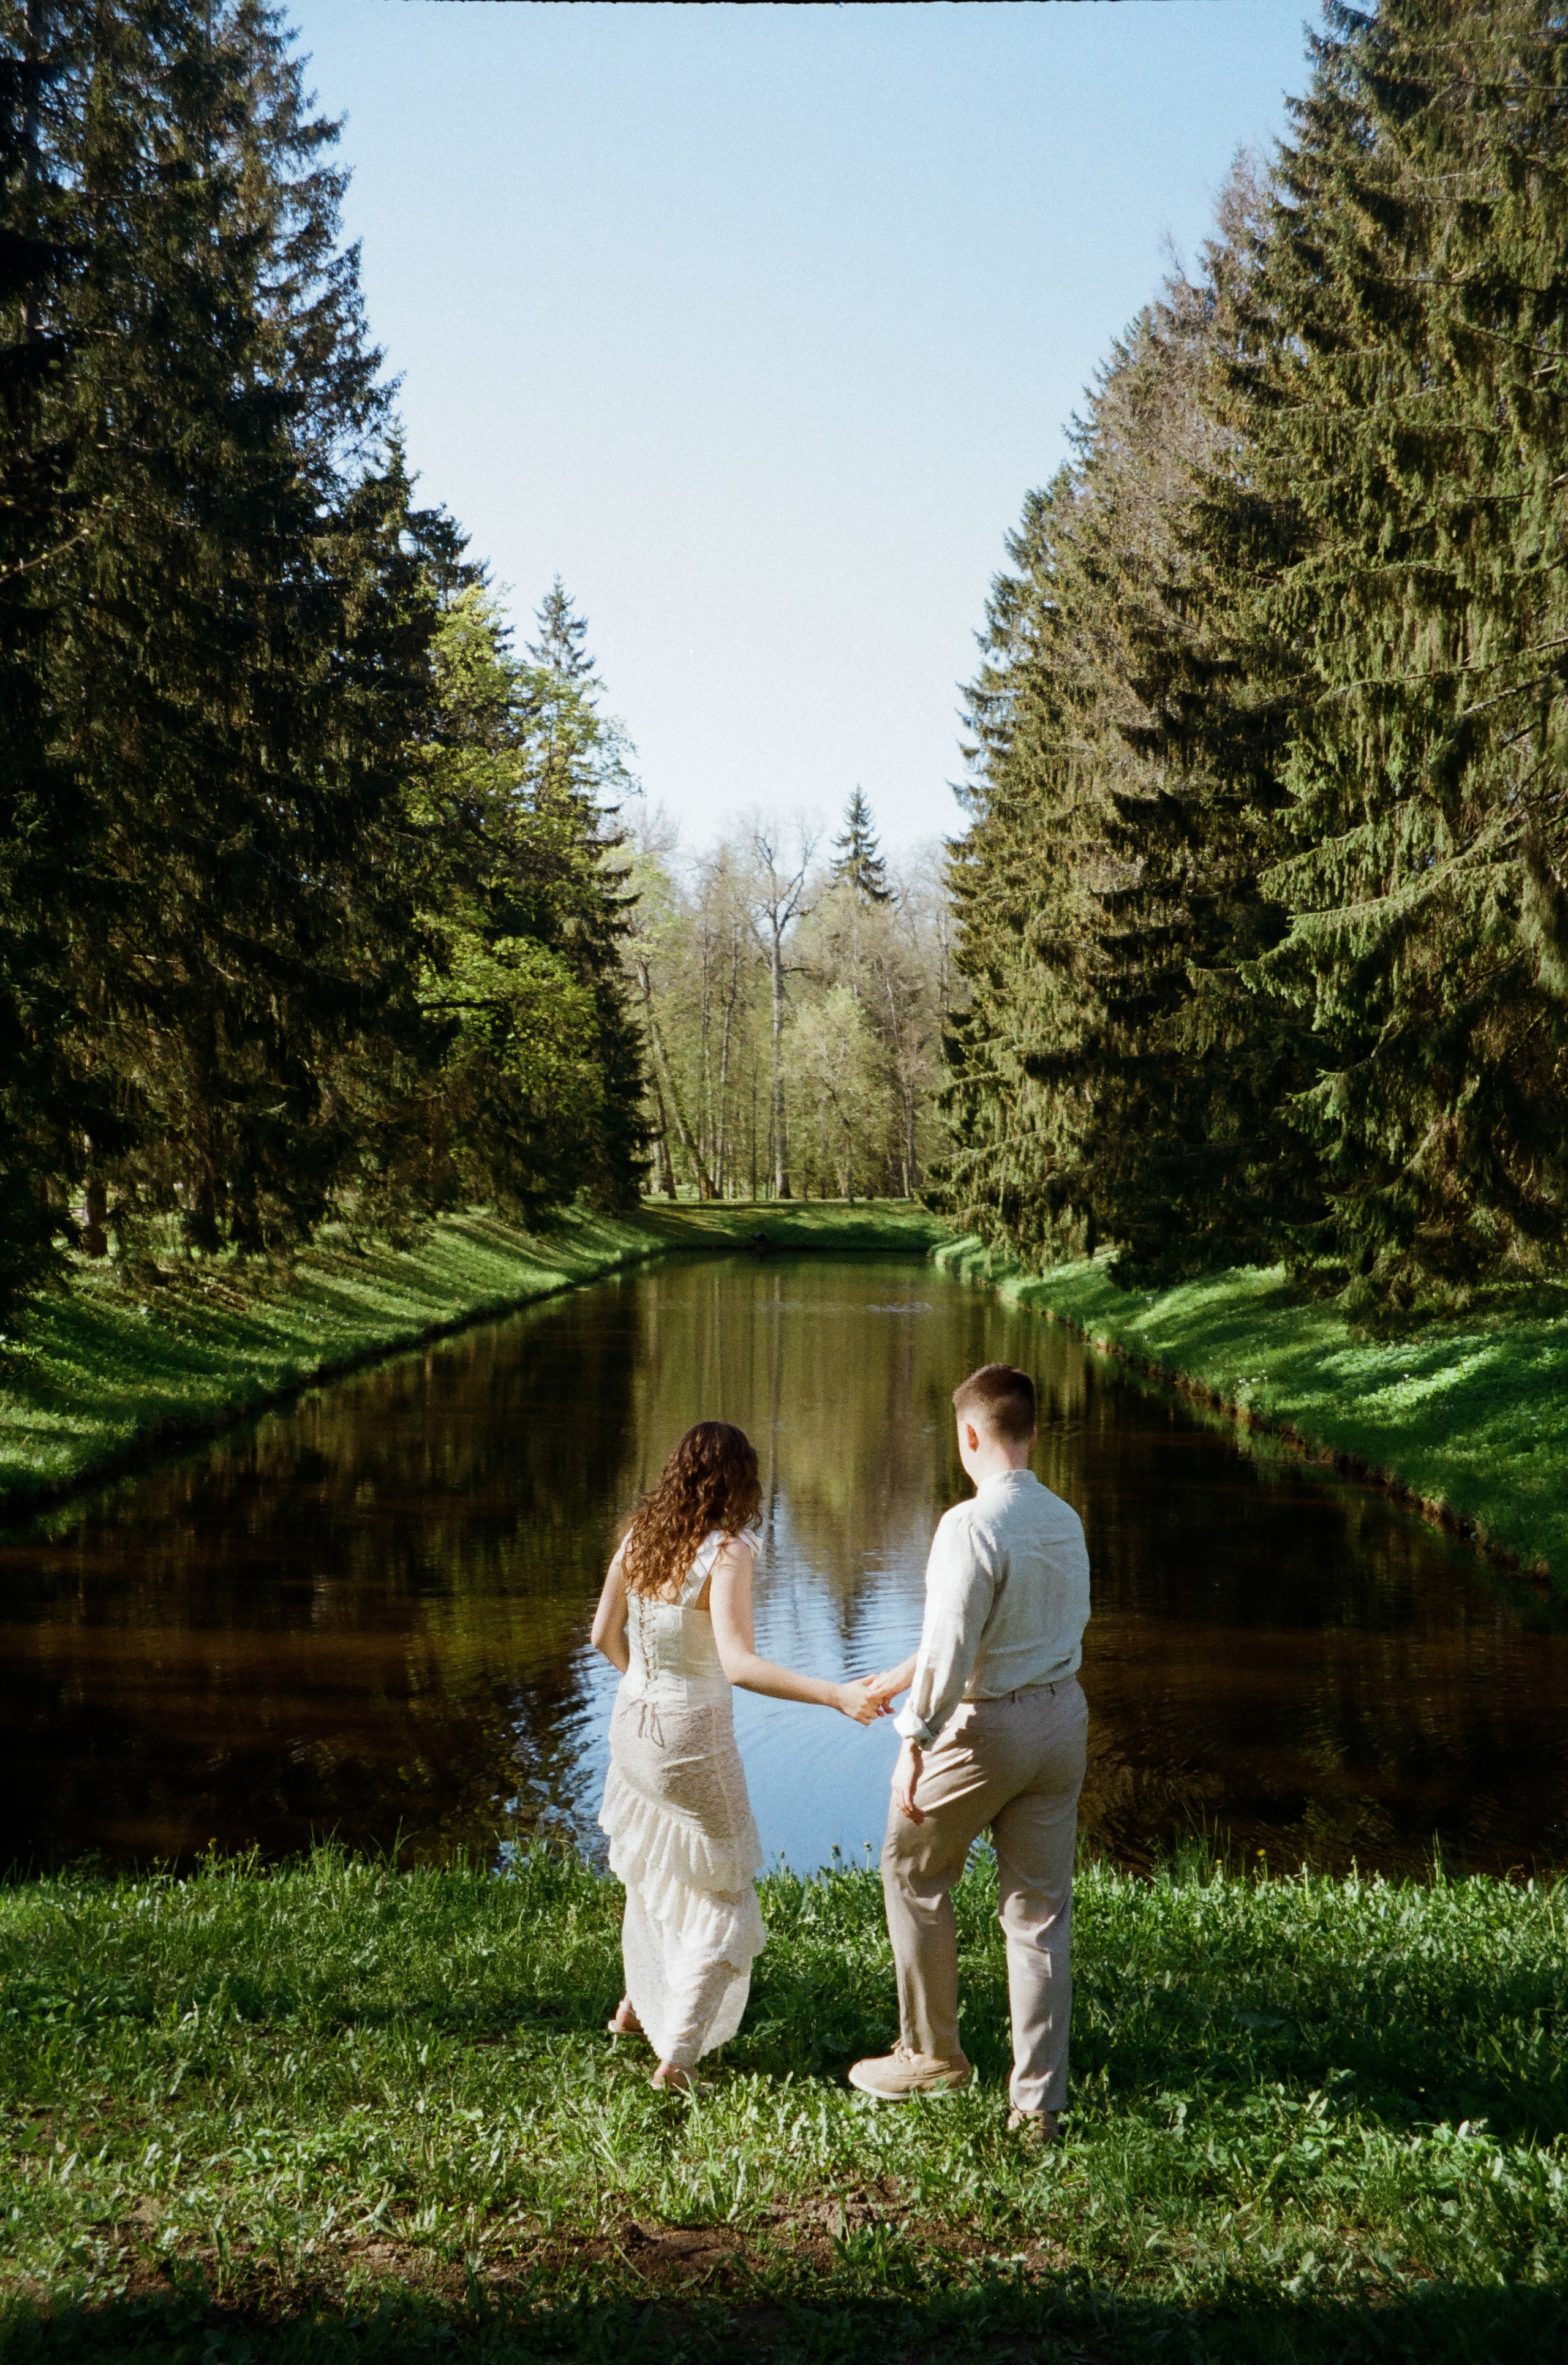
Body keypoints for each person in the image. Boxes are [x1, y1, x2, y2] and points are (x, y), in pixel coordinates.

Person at [591, 1419, 880, 2092]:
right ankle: (679, 2059)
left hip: (629, 1731)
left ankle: (638, 2006)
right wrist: (835, 1694)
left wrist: (644, 1691)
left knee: (656, 1865)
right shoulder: (727, 1550)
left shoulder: (639, 1535)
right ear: (740, 1483)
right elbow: (740, 1665)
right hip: (691, 1742)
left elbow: (603, 1634)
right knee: (729, 1901)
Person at [851, 1362, 1091, 2144]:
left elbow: (954, 1652)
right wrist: (895, 1675)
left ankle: (931, 2054)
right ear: (1028, 1432)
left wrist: (914, 1742)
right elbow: (991, 1630)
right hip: (1061, 1722)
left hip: (987, 1731)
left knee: (911, 1869)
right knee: (1038, 1916)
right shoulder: (1064, 1519)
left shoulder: (969, 1524)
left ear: (969, 1436)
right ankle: (1038, 2107)